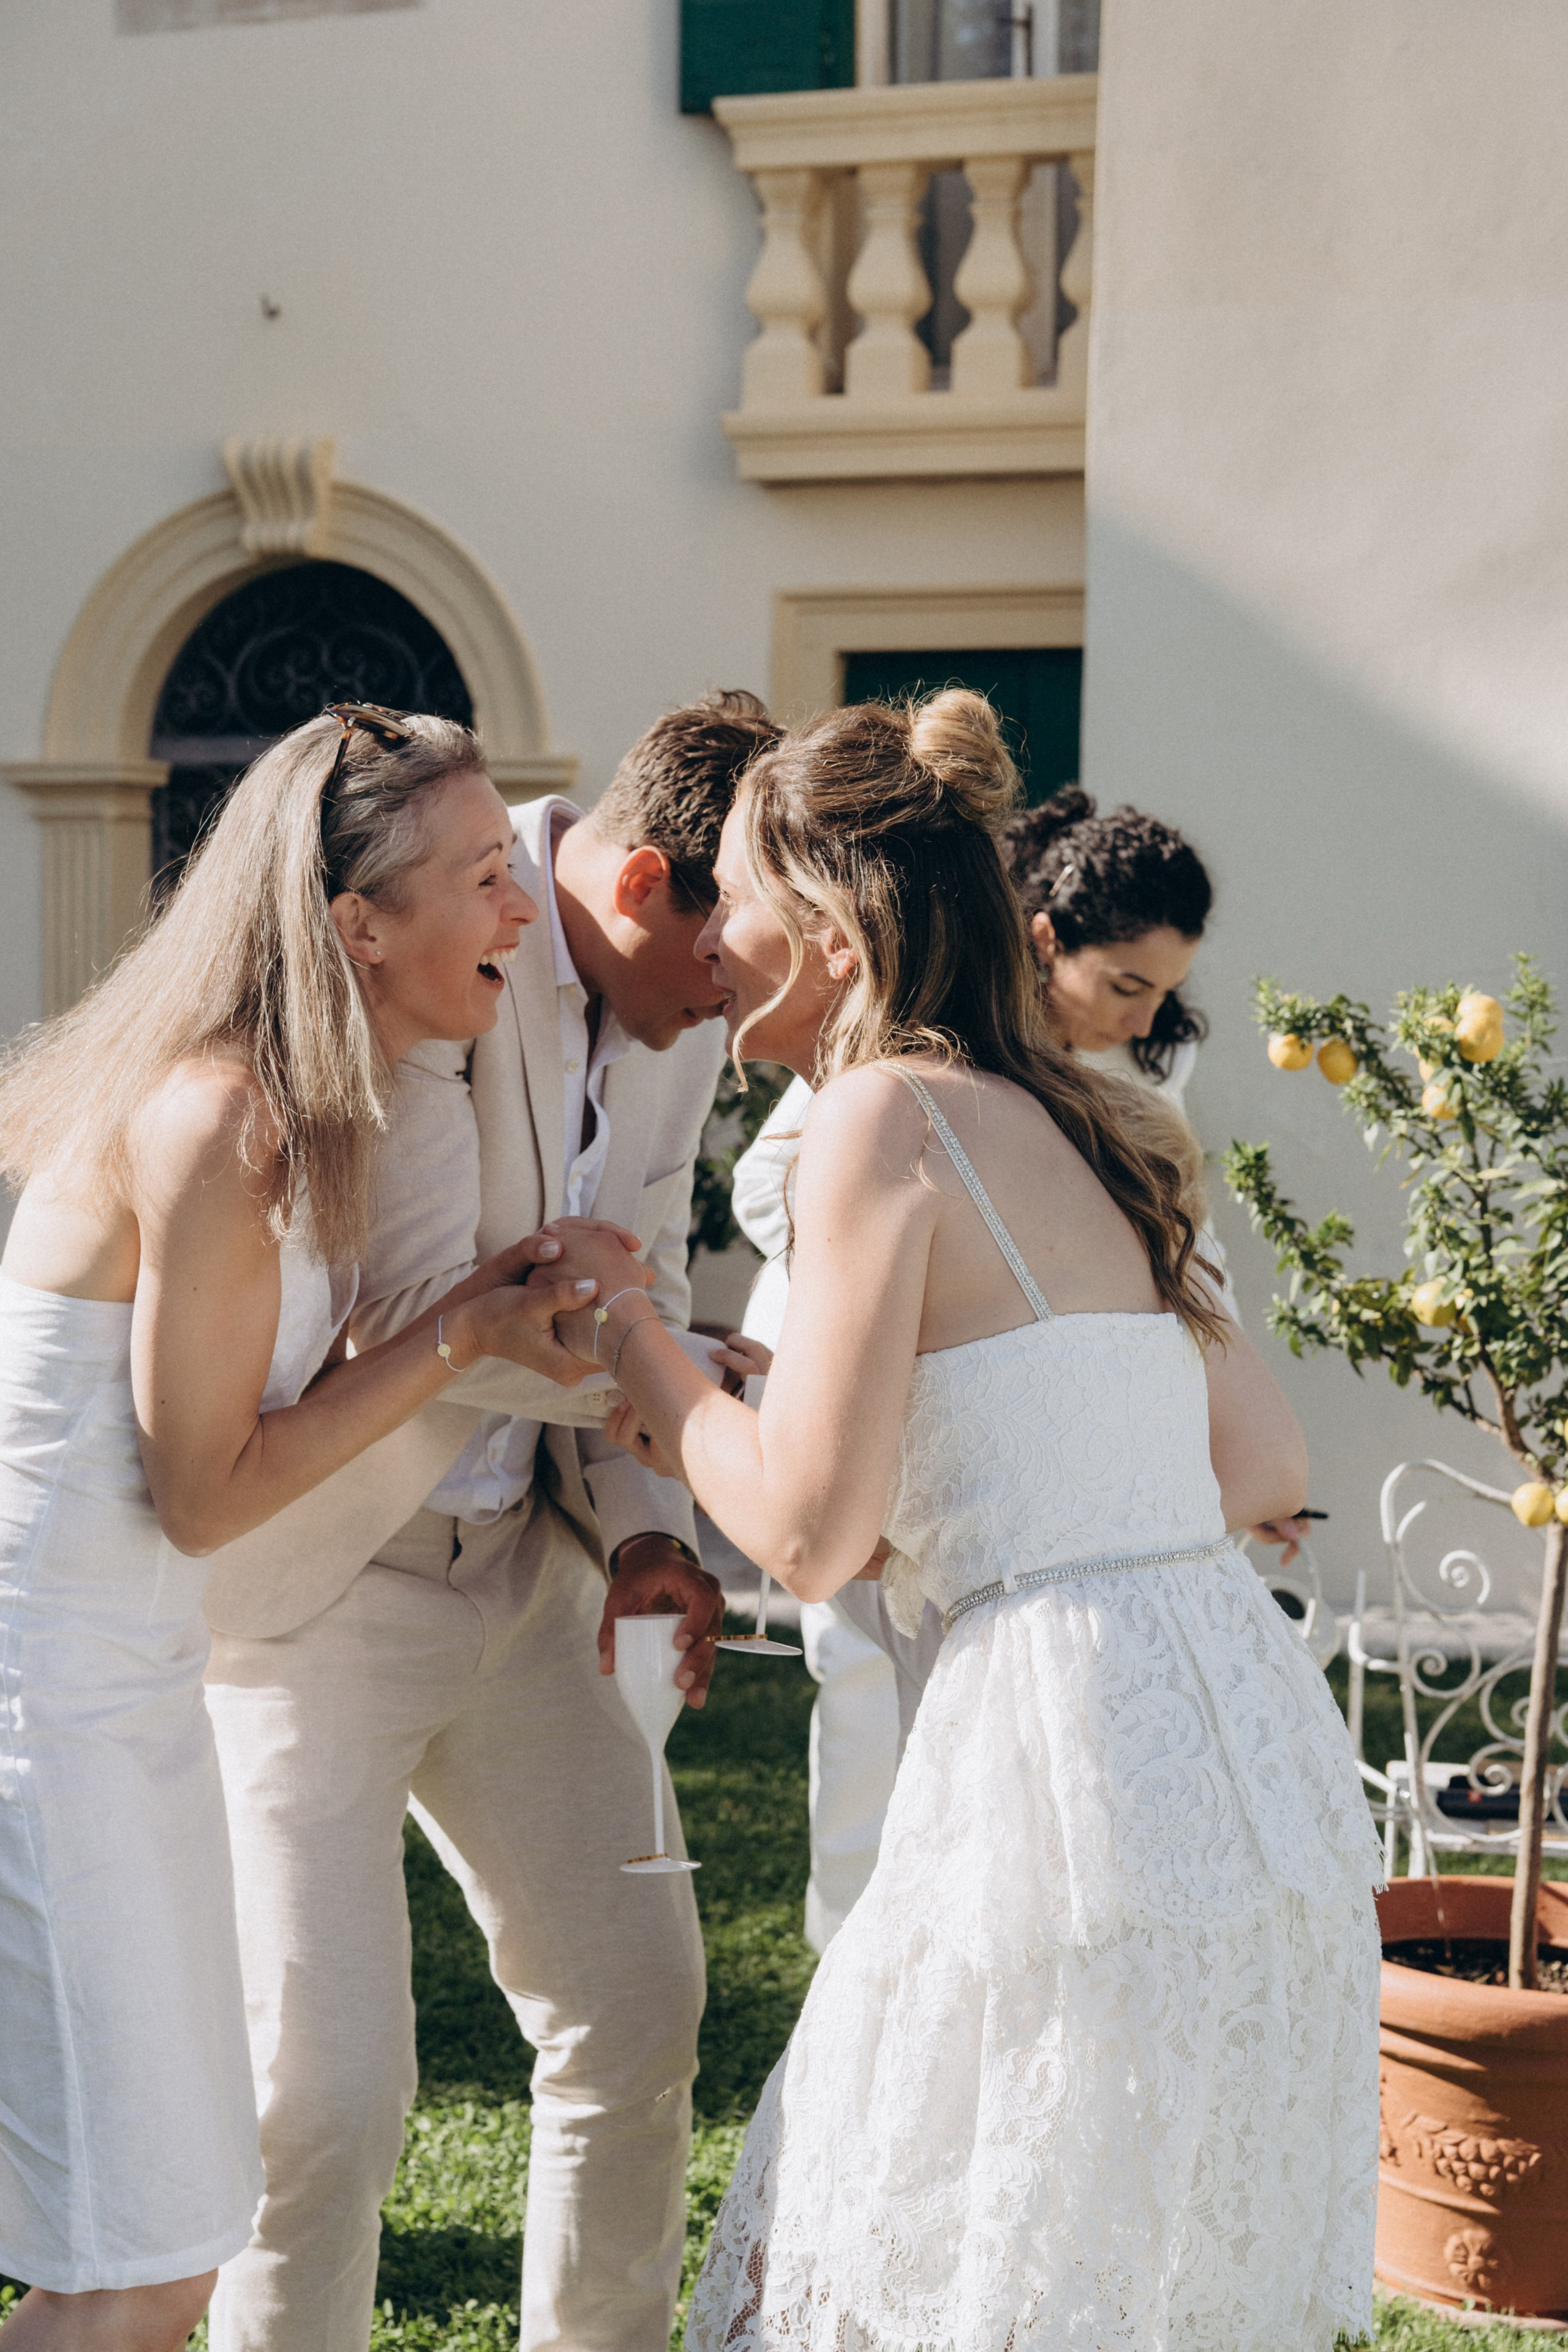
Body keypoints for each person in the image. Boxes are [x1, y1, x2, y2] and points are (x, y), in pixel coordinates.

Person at [546, 692, 1384, 2352]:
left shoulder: (879, 1117)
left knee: (916, 2255)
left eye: (738, 892)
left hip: (1059, 1762)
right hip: (1240, 1748)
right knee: (1103, 2261)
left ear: (838, 926)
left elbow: (803, 1535)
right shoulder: (1097, 1117)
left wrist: (635, 1339)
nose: (712, 938)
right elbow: (1254, 1466)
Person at [0, 706, 609, 2352]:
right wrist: (456, 1347)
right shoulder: (218, 1119)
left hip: (138, 1692)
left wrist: (493, 1324)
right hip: (49, 1716)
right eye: (486, 877)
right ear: (356, 921)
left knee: (175, 2251)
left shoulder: (306, 1103)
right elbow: (204, 1491)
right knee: (131, 2272)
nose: (521, 911)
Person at [199, 689, 782, 2352]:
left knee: (638, 1999)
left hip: (526, 1570)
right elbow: (445, 1315)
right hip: (322, 1586)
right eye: (738, 937)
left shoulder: (685, 1023)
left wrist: (654, 1525)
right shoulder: (447, 934)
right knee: (317, 2097)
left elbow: (634, 1275)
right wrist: (699, 1372)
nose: (750, 985)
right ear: (656, 879)